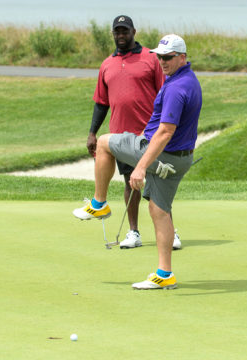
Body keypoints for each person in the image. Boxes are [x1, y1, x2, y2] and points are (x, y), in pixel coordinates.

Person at [73, 34, 201, 289]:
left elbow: (166, 132)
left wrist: (141, 167)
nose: (162, 62)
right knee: (159, 210)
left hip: (162, 155)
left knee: (104, 143)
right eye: (160, 57)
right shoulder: (187, 79)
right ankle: (165, 275)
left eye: (168, 57)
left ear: (182, 57)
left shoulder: (175, 88)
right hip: (180, 159)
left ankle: (99, 204)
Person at [89, 15, 184, 250]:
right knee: (129, 182)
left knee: (156, 184)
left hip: (149, 134)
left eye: (125, 31)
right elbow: (101, 102)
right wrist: (93, 132)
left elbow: (167, 93)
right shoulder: (106, 64)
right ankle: (134, 232)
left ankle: (170, 233)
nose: (121, 35)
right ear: (113, 34)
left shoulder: (151, 59)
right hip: (120, 134)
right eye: (117, 32)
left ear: (134, 32)